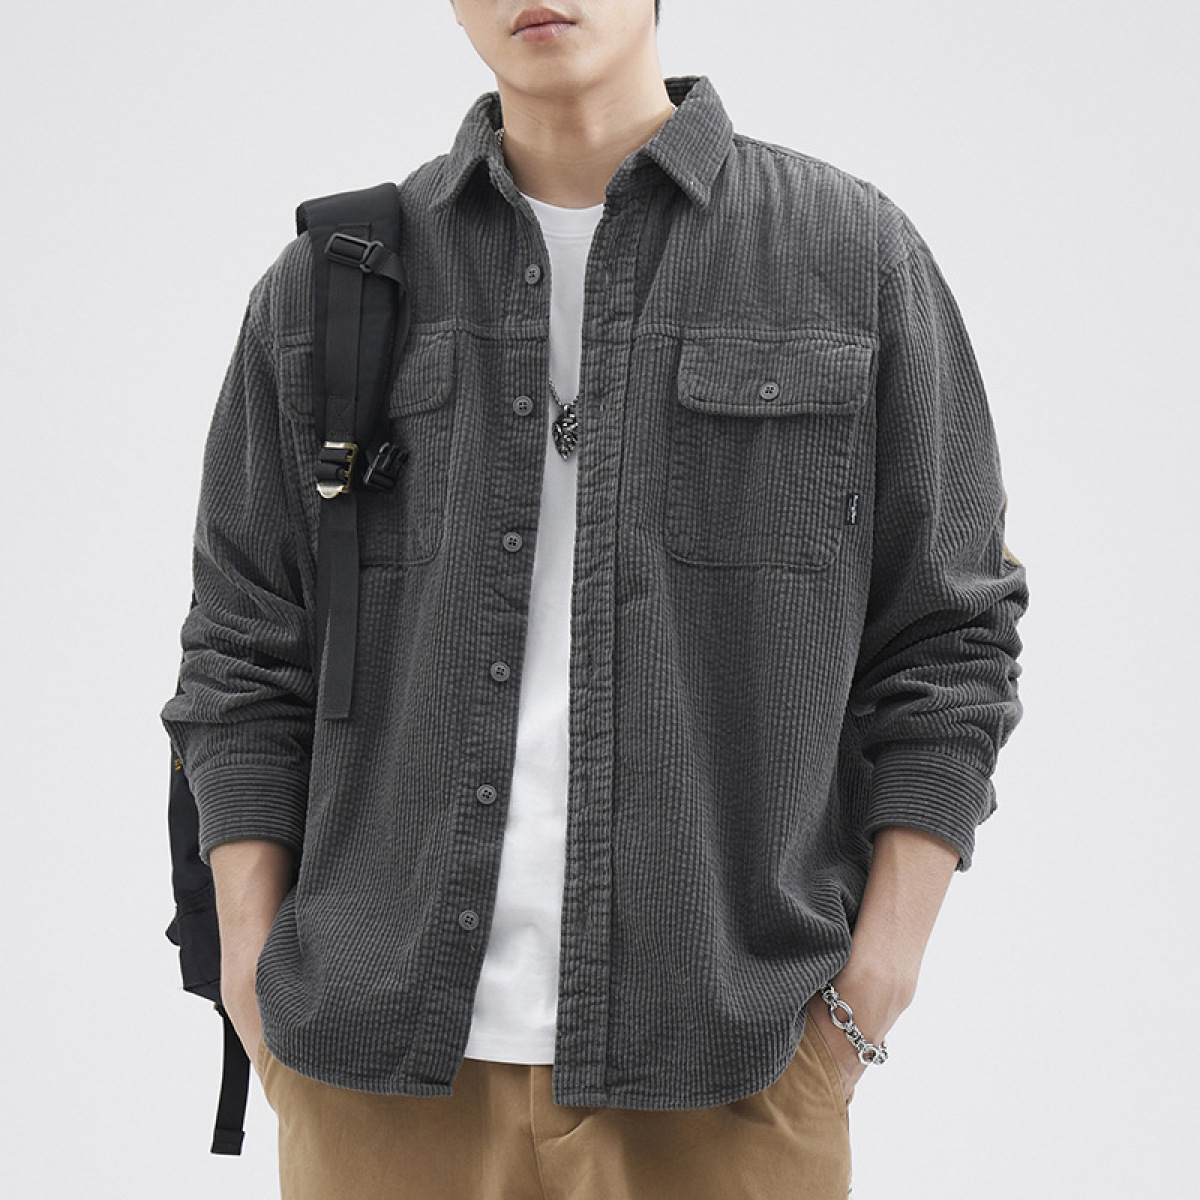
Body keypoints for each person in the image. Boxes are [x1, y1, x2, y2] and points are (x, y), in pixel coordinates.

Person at [161, 2, 1028, 1197]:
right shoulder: (331, 287)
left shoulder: (849, 257)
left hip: (735, 1071)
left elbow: (951, 639)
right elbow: (243, 649)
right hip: (376, 1078)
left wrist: (872, 987)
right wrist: (251, 973)